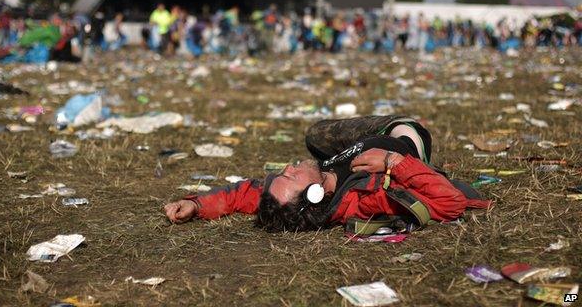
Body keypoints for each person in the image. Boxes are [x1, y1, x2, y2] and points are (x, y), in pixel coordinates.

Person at [164, 115, 490, 233]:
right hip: (402, 139)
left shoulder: (300, 192)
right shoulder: (365, 198)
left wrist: (196, 205)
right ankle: (405, 128)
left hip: (349, 150)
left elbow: (246, 194)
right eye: (290, 177)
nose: (288, 168)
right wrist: (394, 159)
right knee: (405, 127)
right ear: (314, 195)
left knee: (315, 134)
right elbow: (451, 203)